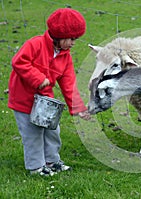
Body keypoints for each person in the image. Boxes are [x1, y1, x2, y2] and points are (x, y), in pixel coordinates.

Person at [8, 8, 91, 176]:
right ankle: (36, 167)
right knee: (33, 134)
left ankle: (52, 161)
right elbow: (19, 62)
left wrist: (78, 108)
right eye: (71, 39)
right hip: (24, 100)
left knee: (53, 131)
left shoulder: (64, 55)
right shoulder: (35, 44)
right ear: (59, 34)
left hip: (45, 101)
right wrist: (38, 78)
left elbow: (69, 83)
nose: (73, 43)